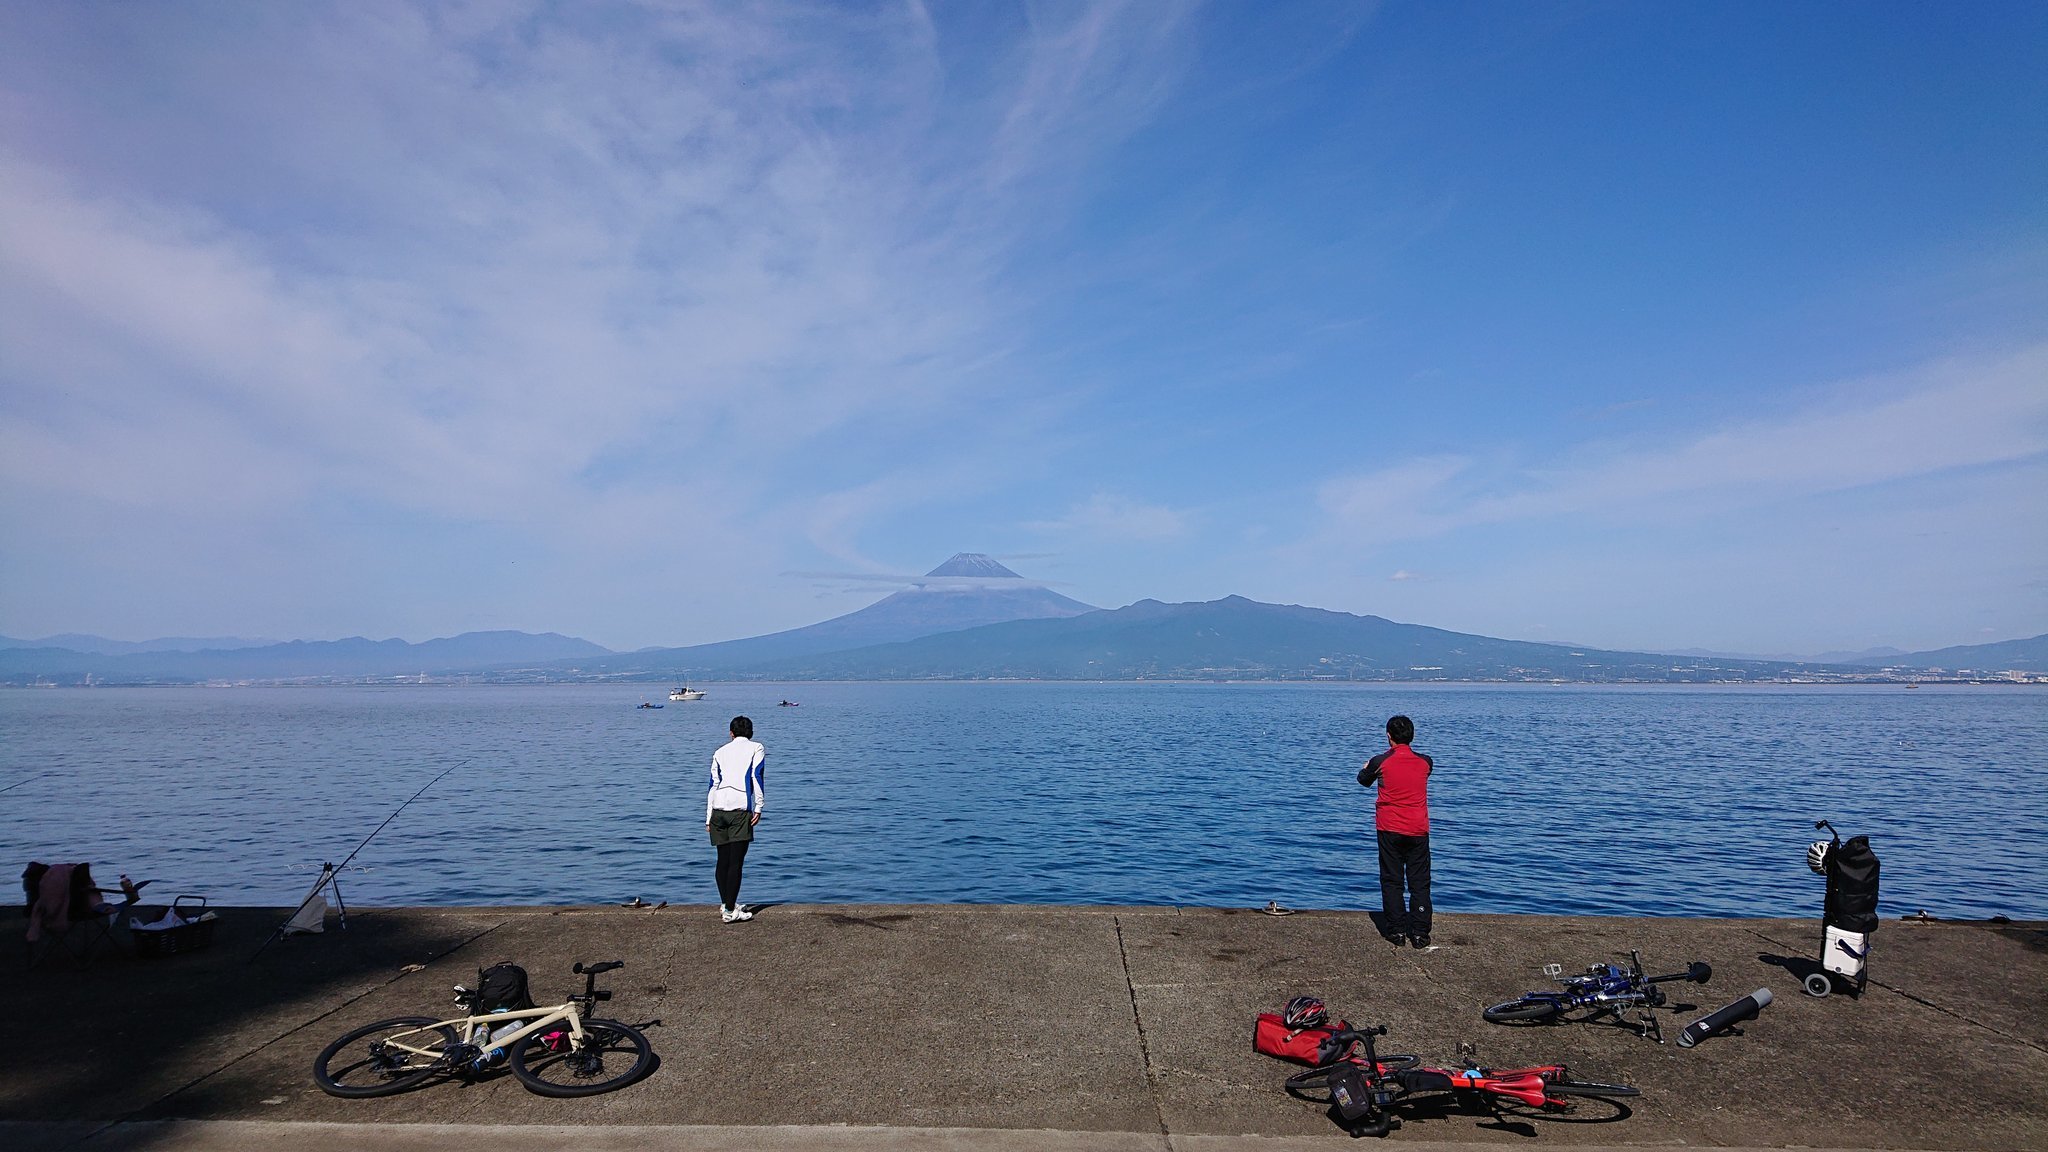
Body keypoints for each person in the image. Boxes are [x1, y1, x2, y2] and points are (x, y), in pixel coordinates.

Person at [1358, 714, 1433, 948]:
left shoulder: (1380, 761)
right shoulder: (1425, 762)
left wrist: (1367, 767)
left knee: (1392, 880)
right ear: (1412, 736)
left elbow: (1363, 780)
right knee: (1419, 882)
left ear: (1389, 736)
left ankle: (1397, 931)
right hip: (1418, 828)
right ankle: (1420, 933)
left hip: (1389, 828)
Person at [706, 715, 766, 923]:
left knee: (722, 860)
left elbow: (713, 784)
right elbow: (756, 776)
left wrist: (708, 817)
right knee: (736, 862)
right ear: (751, 733)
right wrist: (758, 807)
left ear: (731, 733)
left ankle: (726, 904)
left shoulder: (719, 752)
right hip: (739, 809)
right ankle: (731, 911)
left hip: (718, 809)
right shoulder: (756, 748)